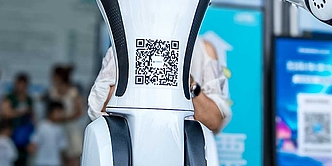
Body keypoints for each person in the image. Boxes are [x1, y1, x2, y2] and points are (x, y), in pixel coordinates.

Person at [88, 36, 232, 134]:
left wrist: (190, 84)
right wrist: (146, 75)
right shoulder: (126, 41)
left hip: (185, 154)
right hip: (131, 147)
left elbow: (214, 122)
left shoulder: (203, 50)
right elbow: (99, 109)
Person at [45, 65, 83, 166]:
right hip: (58, 130)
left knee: (74, 165)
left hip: (71, 130)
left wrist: (63, 117)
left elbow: (79, 111)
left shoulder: (73, 92)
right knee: (63, 165)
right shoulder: (52, 91)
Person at [0, 73, 35, 166]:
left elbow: (32, 118)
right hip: (10, 135)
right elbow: (5, 113)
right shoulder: (9, 98)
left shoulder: (29, 99)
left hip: (23, 138)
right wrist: (19, 112)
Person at [29, 100, 68, 166]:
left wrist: (63, 164)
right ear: (50, 112)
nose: (60, 115)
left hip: (54, 164)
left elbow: (62, 148)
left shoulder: (59, 129)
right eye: (58, 112)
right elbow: (34, 142)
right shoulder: (42, 126)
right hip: (40, 163)